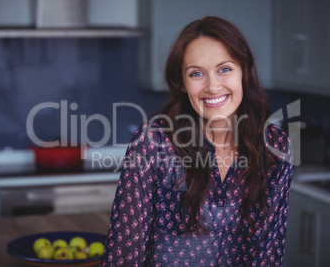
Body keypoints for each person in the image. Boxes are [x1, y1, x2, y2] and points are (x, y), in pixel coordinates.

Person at [101, 16, 293, 267]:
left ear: (244, 72)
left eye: (224, 69)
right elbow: (124, 253)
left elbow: (269, 254)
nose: (213, 86)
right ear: (182, 84)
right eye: (196, 74)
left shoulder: (276, 149)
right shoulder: (153, 143)